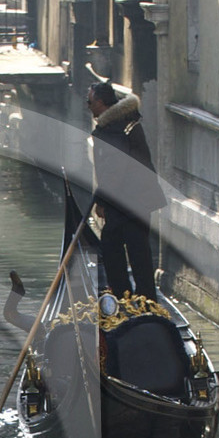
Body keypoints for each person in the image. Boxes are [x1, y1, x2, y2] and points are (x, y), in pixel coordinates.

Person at [86, 76, 161, 301]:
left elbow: (115, 170)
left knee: (116, 247)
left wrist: (100, 201)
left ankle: (129, 297)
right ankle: (136, 297)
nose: (88, 107)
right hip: (130, 199)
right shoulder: (121, 124)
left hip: (130, 199)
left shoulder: (117, 129)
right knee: (131, 249)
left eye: (90, 102)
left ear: (101, 103)